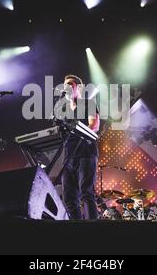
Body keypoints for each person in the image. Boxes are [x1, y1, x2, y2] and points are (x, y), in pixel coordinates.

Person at [60, 74, 100, 220]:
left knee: (86, 193)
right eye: (65, 84)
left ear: (79, 87)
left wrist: (80, 134)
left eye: (71, 84)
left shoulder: (88, 103)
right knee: (69, 200)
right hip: (68, 158)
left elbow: (94, 125)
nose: (67, 87)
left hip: (86, 154)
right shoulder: (63, 111)